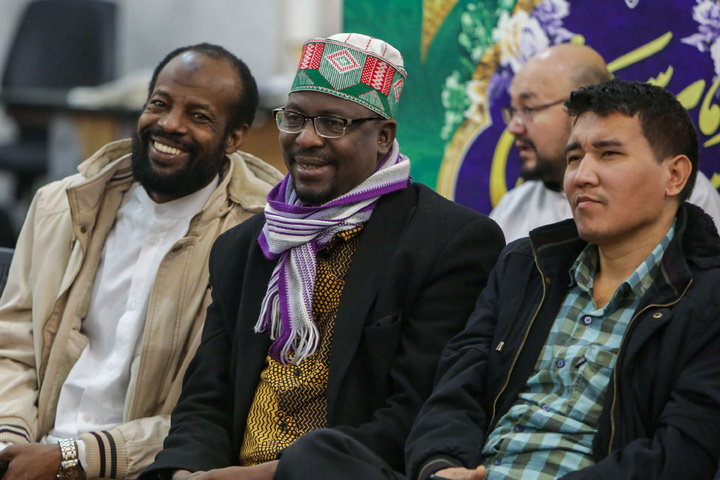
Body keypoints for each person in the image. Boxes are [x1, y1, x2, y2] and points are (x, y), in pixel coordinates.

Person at [274, 79, 720, 480]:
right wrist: (441, 465)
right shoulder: (525, 266)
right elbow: (454, 392)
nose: (582, 176)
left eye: (609, 154)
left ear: (674, 175)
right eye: (574, 157)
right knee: (316, 455)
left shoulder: (707, 297)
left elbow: (681, 454)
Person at [139, 33, 505, 480]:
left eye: (333, 123)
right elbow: (205, 400)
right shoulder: (248, 246)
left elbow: (416, 414)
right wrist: (183, 474)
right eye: (294, 117)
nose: (306, 139)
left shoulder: (447, 243)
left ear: (383, 137)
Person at [0, 43, 283, 480]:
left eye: (199, 116)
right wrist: (10, 439)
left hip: (142, 468)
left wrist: (73, 459)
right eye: (160, 104)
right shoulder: (61, 206)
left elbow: (216, 412)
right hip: (29, 451)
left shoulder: (259, 241)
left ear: (235, 138)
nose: (170, 125)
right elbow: (13, 344)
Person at [490, 43, 720, 242]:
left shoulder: (676, 189)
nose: (514, 128)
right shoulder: (512, 208)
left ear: (582, 107)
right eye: (513, 111)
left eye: (528, 109)